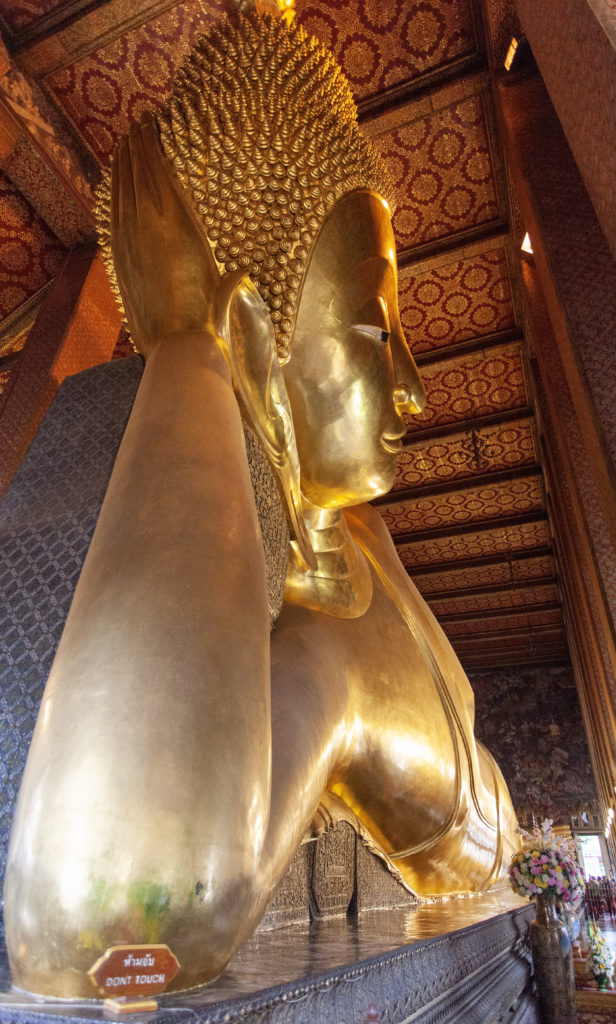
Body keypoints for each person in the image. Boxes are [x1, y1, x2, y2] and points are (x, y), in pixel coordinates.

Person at [4, 8, 517, 998]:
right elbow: (109, 904)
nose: (413, 382)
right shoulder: (312, 652)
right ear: (255, 337)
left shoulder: (366, 546)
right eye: (376, 330)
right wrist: (190, 352)